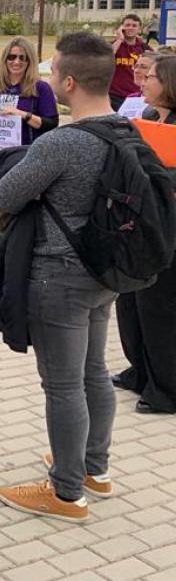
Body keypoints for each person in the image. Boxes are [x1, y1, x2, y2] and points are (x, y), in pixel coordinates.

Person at [0, 32, 127, 522]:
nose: (49, 80)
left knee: (64, 385)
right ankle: (94, 467)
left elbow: (6, 194)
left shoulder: (62, 141)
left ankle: (66, 492)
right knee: (93, 373)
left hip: (58, 276)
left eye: (52, 73)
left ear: (69, 82)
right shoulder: (127, 131)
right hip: (104, 272)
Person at [113, 54, 176, 414]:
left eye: (151, 76)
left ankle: (165, 388)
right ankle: (139, 370)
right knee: (131, 302)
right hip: (139, 223)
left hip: (169, 229)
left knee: (160, 309)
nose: (144, 81)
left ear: (168, 82)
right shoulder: (147, 119)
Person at [0, 37, 58, 165]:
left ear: (30, 61)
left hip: (25, 159)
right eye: (11, 57)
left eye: (22, 58)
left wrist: (21, 114)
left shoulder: (41, 88)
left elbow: (51, 124)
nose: (16, 62)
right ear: (5, 60)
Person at [108, 13, 150, 111]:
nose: (130, 28)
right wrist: (120, 39)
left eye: (134, 26)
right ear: (121, 28)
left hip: (136, 96)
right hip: (115, 96)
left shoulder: (144, 48)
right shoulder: (114, 46)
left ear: (139, 29)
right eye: (127, 25)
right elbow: (107, 57)